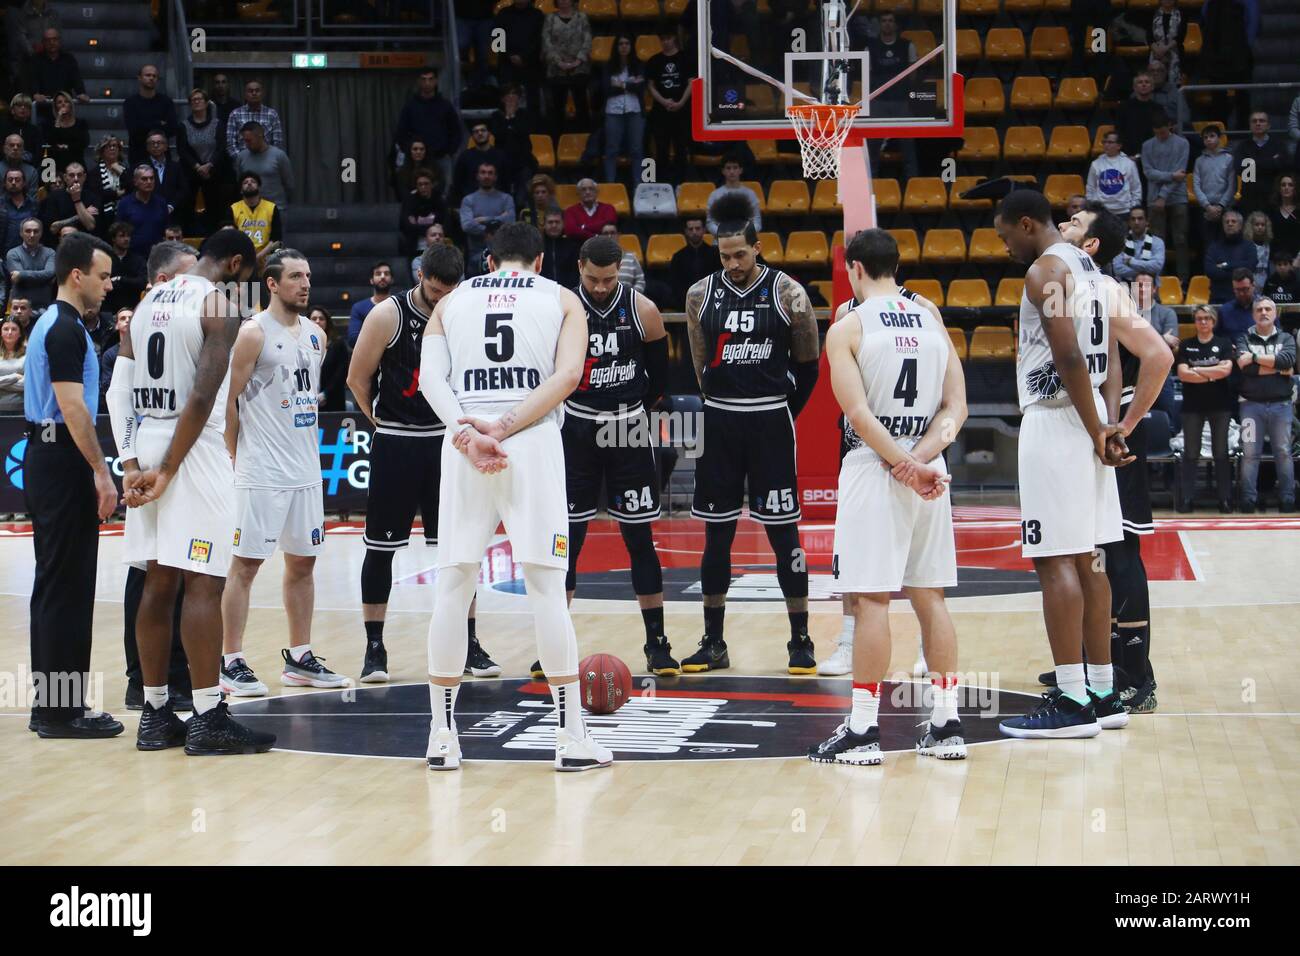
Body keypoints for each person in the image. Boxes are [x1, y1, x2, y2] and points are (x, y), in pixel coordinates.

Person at [418, 221, 612, 772]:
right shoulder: (562, 298)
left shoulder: (451, 301)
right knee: (547, 590)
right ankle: (571, 740)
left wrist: (467, 433)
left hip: (463, 445)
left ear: (488, 261)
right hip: (528, 442)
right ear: (541, 261)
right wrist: (500, 428)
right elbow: (569, 375)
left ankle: (442, 737)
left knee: (454, 587)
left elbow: (431, 379)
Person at [992, 191, 1169, 738]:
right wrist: (1116, 426)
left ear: (1026, 225)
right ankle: (1103, 691)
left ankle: (1071, 701)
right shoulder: (1097, 276)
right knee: (1093, 560)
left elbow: (1068, 355)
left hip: (1059, 422)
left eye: (1005, 236)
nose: (1005, 247)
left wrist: (1097, 429)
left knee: (1054, 562)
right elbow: (1134, 357)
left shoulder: (1046, 270)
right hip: (1093, 423)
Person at [112, 227, 276, 755]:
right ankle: (208, 716)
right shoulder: (218, 306)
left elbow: (120, 395)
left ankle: (156, 713)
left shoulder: (145, 304)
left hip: (150, 439)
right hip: (192, 448)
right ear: (233, 263)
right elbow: (204, 397)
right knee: (204, 581)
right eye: (244, 275)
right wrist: (167, 471)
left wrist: (135, 464)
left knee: (158, 581)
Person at [806, 229, 966, 765]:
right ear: (897, 267)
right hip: (931, 473)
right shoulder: (932, 319)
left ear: (853, 269)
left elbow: (858, 415)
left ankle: (863, 731)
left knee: (873, 600)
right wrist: (922, 460)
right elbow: (955, 409)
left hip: (878, 471)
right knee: (930, 595)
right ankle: (945, 725)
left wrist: (901, 465)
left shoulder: (848, 327)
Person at [346, 242, 501, 684]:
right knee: (380, 548)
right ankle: (374, 647)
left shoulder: (463, 313)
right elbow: (357, 378)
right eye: (434, 291)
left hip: (447, 442)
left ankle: (469, 643)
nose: (440, 300)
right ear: (420, 278)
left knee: (460, 549)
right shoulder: (387, 315)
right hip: (397, 442)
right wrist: (381, 424)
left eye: (447, 292)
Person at [682, 193, 821, 673]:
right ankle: (713, 641)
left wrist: (782, 412)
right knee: (715, 538)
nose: (733, 263)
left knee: (786, 536)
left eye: (740, 253)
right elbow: (700, 366)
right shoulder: (700, 294)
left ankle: (800, 640)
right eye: (725, 255)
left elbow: (809, 367)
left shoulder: (789, 293)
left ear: (758, 248)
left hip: (769, 423)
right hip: (720, 422)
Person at [526, 235, 674, 680]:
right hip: (576, 428)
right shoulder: (561, 308)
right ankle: (555, 645)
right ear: (579, 267)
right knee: (566, 542)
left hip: (627, 425)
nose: (602, 287)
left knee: (639, 538)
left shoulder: (642, 310)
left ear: (620, 272)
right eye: (593, 279)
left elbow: (659, 382)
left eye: (609, 279)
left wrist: (630, 410)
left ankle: (657, 643)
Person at [1057, 208, 1173, 714]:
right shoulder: (1065, 285)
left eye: (1076, 221)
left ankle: (1137, 674)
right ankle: (1095, 663)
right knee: (1091, 550)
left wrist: (1124, 423)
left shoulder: (1104, 287)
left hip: (1114, 431)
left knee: (1121, 552)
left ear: (1092, 245)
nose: (1065, 222)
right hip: (1088, 428)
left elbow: (1159, 356)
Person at [218, 249, 344, 696]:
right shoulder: (253, 334)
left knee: (303, 565)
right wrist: (235, 458)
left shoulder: (316, 335)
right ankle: (229, 659)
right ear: (271, 284)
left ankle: (300, 658)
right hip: (262, 470)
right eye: (294, 276)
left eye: (307, 275)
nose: (305, 283)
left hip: (305, 470)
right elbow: (227, 403)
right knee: (246, 564)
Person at [22, 230, 122, 739]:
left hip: (50, 457)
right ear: (77, 275)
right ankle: (60, 712)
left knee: (56, 583)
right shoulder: (64, 329)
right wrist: (101, 473)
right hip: (61, 459)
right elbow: (73, 408)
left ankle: (53, 707)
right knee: (67, 585)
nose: (108, 285)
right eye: (103, 276)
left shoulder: (51, 323)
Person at [110, 240, 196, 712]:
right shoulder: (144, 317)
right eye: (189, 275)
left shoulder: (174, 315)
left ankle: (170, 673)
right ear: (164, 281)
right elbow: (118, 393)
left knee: (177, 566)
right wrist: (128, 461)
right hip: (160, 442)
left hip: (165, 444)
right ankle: (142, 676)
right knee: (150, 568)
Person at [1235, 297, 1296, 513]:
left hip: (1282, 406)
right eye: (1259, 309)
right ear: (1253, 314)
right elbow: (1245, 369)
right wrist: (1277, 367)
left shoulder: (1287, 337)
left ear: (1275, 313)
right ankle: (1248, 499)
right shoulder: (1244, 337)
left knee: (1283, 452)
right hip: (1250, 405)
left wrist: (1253, 357)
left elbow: (1288, 361)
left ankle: (1288, 499)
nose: (1263, 312)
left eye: (1268, 308)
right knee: (1250, 453)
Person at [1176, 305, 1235, 514]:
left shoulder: (1223, 343)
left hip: (1220, 406)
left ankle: (1225, 500)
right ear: (1195, 321)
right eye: (1199, 319)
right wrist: (1212, 373)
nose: (1203, 322)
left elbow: (1226, 370)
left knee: (1221, 453)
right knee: (1191, 454)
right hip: (1192, 406)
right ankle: (1187, 499)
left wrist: (1198, 370)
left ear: (1213, 321)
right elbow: (1183, 374)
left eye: (1207, 319)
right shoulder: (1186, 345)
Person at [393, 69, 461, 195]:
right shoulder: (410, 106)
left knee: (443, 195)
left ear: (435, 81)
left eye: (430, 79)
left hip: (440, 158)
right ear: (419, 82)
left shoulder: (445, 105)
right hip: (417, 161)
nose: (427, 83)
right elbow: (401, 133)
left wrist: (449, 151)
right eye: (424, 79)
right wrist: (410, 152)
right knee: (414, 195)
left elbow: (456, 131)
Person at [1139, 114, 1188, 281]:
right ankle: (1158, 278)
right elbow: (1148, 172)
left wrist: (1162, 196)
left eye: (1164, 132)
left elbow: (1180, 174)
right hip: (1154, 197)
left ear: (1170, 126)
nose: (1161, 135)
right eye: (1158, 133)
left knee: (1181, 239)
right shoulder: (1147, 145)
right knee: (1156, 241)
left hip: (1177, 196)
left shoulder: (1182, 144)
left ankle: (1183, 280)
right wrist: (1171, 176)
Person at [646, 28, 694, 185]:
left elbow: (691, 83)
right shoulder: (654, 60)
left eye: (668, 38)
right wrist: (664, 101)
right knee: (661, 150)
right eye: (663, 39)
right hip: (661, 112)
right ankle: (661, 184)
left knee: (681, 149)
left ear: (674, 38)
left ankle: (682, 184)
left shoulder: (685, 58)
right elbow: (651, 86)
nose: (666, 42)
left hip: (682, 111)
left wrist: (681, 102)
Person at [177, 88, 227, 235]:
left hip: (213, 172)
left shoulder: (217, 124)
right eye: (194, 100)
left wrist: (209, 165)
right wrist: (198, 166)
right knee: (187, 206)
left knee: (214, 207)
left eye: (200, 99)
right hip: (191, 172)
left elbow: (221, 147)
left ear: (206, 103)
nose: (197, 102)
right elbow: (182, 150)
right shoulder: (184, 125)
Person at [541, 0, 593, 138]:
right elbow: (546, 42)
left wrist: (578, 60)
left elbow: (587, 39)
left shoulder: (582, 17)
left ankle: (584, 141)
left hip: (579, 69)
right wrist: (558, 62)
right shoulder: (550, 18)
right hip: (556, 70)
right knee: (557, 109)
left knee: (582, 107)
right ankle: (557, 143)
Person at [599, 35, 646, 186]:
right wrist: (630, 84)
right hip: (613, 111)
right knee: (611, 149)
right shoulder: (608, 66)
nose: (624, 46)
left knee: (637, 149)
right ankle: (611, 184)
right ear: (616, 47)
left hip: (635, 110)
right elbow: (605, 89)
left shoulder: (638, 65)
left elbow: (641, 87)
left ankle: (638, 184)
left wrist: (620, 84)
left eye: (627, 43)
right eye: (621, 44)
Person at [459, 161, 515, 266]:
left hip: (503, 255)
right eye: (483, 172)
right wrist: (489, 229)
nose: (486, 176)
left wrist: (484, 219)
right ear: (477, 176)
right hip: (475, 256)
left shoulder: (506, 198)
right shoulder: (468, 200)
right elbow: (467, 225)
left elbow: (510, 222)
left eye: (490, 173)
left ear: (495, 177)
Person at [1233, 112, 1288, 218]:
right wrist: (1271, 162)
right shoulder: (1242, 146)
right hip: (1249, 200)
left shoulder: (1279, 145)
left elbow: (1284, 167)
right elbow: (1241, 170)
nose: (1258, 123)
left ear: (1269, 125)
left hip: (1274, 199)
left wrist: (1253, 163)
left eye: (1262, 121)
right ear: (1250, 125)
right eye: (1254, 121)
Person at [492, 0, 546, 109]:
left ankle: (532, 122)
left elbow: (539, 40)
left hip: (531, 63)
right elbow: (497, 39)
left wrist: (524, 57)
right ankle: (507, 123)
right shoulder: (503, 13)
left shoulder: (537, 15)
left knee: (532, 101)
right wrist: (510, 55)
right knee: (506, 98)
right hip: (507, 63)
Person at [488, 86, 537, 200]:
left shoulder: (524, 114)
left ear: (519, 98)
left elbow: (523, 132)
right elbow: (499, 134)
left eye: (514, 94)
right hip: (502, 160)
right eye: (508, 94)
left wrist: (512, 118)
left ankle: (521, 206)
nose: (511, 97)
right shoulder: (496, 115)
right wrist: (508, 119)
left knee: (524, 185)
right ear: (502, 98)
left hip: (523, 159)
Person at [122, 64, 177, 166]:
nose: (151, 78)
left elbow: (172, 129)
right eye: (148, 75)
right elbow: (133, 130)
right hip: (138, 155)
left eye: (154, 76)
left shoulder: (166, 101)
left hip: (163, 156)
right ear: (139, 78)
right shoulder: (130, 103)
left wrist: (144, 124)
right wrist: (159, 123)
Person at [21, 27, 88, 110]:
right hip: (44, 107)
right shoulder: (36, 60)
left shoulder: (68, 59)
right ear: (43, 42)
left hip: (64, 107)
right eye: (48, 40)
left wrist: (81, 93)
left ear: (59, 41)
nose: (51, 43)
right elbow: (33, 80)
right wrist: (35, 94)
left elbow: (76, 78)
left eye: (54, 39)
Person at [450, 121, 513, 205]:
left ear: (489, 134)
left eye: (483, 130)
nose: (480, 133)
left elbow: (506, 182)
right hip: (472, 202)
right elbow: (458, 184)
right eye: (476, 131)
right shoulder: (465, 157)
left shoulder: (500, 156)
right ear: (472, 136)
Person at [234, 122, 293, 210]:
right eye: (244, 140)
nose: (247, 144)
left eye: (249, 140)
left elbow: (289, 184)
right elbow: (239, 182)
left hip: (276, 208)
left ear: (260, 136)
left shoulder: (279, 155)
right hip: (250, 210)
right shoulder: (241, 157)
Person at [114, 165, 170, 256]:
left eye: (151, 178)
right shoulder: (125, 203)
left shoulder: (161, 203)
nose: (149, 182)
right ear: (135, 182)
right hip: (132, 256)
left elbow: (166, 229)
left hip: (157, 255)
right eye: (144, 179)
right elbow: (118, 231)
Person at [228, 172, 283, 265]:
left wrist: (260, 255)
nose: (249, 183)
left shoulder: (271, 207)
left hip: (265, 257)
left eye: (253, 182)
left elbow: (276, 238)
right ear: (241, 190)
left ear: (259, 188)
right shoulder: (233, 208)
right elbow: (230, 237)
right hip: (241, 258)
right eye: (245, 182)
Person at [39, 162, 99, 245]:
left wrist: (77, 200)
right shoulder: (54, 197)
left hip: (85, 245)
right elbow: (53, 228)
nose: (76, 179)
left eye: (79, 175)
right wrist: (80, 216)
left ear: (84, 177)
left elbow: (90, 226)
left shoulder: (92, 196)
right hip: (58, 245)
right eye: (71, 175)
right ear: (65, 177)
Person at [1193, 125, 1235, 243]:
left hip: (1225, 207)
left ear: (1220, 138)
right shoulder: (1199, 161)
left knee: (1226, 241)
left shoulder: (1229, 158)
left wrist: (1221, 205)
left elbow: (1232, 185)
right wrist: (1207, 206)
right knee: (1208, 243)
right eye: (1205, 137)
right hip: (1205, 208)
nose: (1209, 139)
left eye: (1212, 136)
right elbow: (1196, 185)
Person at [1086, 130, 1142, 217]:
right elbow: (1090, 188)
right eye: (1104, 142)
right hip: (1102, 212)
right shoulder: (1095, 164)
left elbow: (1136, 188)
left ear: (1119, 146)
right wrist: (1094, 207)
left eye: (1110, 142)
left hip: (1124, 211)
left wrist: (1133, 207)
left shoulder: (1129, 163)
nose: (1106, 145)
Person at [224, 80, 285, 159]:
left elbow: (278, 143)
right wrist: (242, 160)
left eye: (257, 90)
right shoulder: (235, 114)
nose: (254, 93)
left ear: (262, 94)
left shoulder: (272, 114)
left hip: (267, 162)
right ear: (245, 95)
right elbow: (230, 143)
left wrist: (269, 161)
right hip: (243, 163)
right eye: (250, 91)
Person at [668, 217, 720, 309]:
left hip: (711, 302)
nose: (694, 232)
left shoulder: (715, 254)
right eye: (691, 229)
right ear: (686, 231)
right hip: (685, 304)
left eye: (698, 228)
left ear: (704, 230)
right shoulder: (678, 257)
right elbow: (675, 284)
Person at [399, 169, 452, 257]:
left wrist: (418, 224)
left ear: (432, 184)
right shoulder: (409, 200)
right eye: (420, 184)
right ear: (416, 186)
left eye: (426, 184)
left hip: (438, 246)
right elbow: (406, 226)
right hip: (415, 246)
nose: (423, 187)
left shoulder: (440, 199)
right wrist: (434, 225)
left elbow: (447, 224)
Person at [6, 217, 55, 311]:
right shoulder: (13, 253)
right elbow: (19, 280)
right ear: (21, 233)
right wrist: (43, 277)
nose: (32, 235)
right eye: (28, 231)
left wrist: (22, 274)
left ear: (41, 233)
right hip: (20, 310)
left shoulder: (50, 253)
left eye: (36, 231)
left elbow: (50, 273)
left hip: (44, 308)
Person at [1205, 213, 1257, 303]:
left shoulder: (1249, 246)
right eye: (1227, 222)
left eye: (1233, 221)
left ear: (1240, 225)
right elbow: (1210, 271)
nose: (1230, 224)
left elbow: (1251, 266)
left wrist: (1225, 265)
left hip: (1243, 298)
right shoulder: (1214, 246)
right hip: (1218, 298)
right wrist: (1238, 272)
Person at [706, 154, 762, 236]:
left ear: (741, 170)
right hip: (721, 240)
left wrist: (743, 233)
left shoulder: (750, 194)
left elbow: (757, 222)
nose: (732, 171)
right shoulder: (715, 195)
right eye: (728, 168)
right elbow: (710, 223)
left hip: (744, 240)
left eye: (735, 167)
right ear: (723, 171)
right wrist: (723, 233)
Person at [1116, 72, 1166, 159]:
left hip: (1153, 155)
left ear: (1152, 87)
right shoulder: (1124, 107)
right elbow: (1120, 131)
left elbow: (1161, 134)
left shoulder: (1158, 108)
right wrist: (1127, 155)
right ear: (1134, 87)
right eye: (1140, 82)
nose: (1143, 84)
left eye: (1147, 82)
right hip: (1128, 156)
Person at [103, 221, 147, 315]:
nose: (126, 239)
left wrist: (120, 279)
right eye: (122, 236)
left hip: (133, 308)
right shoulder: (105, 259)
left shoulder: (138, 260)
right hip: (109, 309)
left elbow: (143, 282)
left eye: (128, 236)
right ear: (113, 238)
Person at [1111, 206, 1166, 283]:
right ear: (1129, 222)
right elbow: (1118, 269)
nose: (1136, 222)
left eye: (1140, 219)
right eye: (1133, 219)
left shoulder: (1157, 242)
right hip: (1126, 288)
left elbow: (1157, 266)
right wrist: (1145, 271)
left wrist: (1131, 262)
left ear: (1147, 221)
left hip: (1150, 288)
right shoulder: (1121, 243)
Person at [309, 306, 348, 412]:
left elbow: (341, 373)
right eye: (314, 318)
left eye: (321, 318)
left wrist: (325, 394)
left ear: (327, 322)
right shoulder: (301, 344)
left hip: (333, 401)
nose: (317, 321)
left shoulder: (338, 344)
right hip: (307, 402)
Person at [346, 261, 393, 348]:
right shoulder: (359, 308)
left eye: (386, 274)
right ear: (371, 280)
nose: (382, 277)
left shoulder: (401, 305)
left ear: (392, 279)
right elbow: (353, 339)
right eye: (378, 274)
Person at [40, 90, 89, 175]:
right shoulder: (48, 124)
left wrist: (66, 146)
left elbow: (84, 142)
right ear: (55, 106)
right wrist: (58, 119)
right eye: (59, 102)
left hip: (76, 161)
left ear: (70, 104)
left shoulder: (81, 123)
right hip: (55, 162)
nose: (63, 104)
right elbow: (49, 142)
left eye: (66, 101)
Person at [143, 128, 187, 215]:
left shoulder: (176, 167)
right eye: (152, 143)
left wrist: (171, 206)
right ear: (147, 147)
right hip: (147, 212)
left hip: (173, 214)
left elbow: (183, 190)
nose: (155, 145)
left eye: (159, 143)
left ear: (166, 146)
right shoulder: (140, 167)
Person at [598, 222, 645, 294]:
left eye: (612, 233)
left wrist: (630, 296)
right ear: (601, 236)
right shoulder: (593, 258)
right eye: (606, 233)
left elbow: (640, 281)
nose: (609, 236)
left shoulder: (631, 257)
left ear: (618, 235)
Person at [91, 135, 128, 224]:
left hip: (124, 213)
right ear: (102, 151)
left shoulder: (125, 170)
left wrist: (120, 171)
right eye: (108, 146)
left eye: (115, 146)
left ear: (119, 150)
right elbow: (97, 194)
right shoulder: (95, 172)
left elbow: (133, 187)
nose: (112, 148)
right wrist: (117, 193)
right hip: (102, 214)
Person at [539, 208, 579, 288]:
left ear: (563, 224)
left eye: (557, 222)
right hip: (542, 292)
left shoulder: (573, 246)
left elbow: (576, 273)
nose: (554, 225)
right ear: (544, 225)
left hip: (568, 292)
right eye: (550, 222)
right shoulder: (537, 246)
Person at [0, 169, 39, 252]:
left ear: (24, 183)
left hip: (30, 254)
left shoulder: (33, 204)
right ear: (5, 183)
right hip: (4, 256)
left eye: (17, 180)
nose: (13, 183)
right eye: (10, 180)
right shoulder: (1, 204)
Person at [1216, 268, 1258, 338]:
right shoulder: (1224, 311)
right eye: (1237, 290)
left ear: (1253, 285)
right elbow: (1216, 339)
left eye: (1245, 289)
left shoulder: (1265, 309)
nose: (1241, 293)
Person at [1, 95, 44, 163]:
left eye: (26, 106)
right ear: (12, 110)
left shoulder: (35, 130)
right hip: (5, 164)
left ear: (30, 111)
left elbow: (38, 153)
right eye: (19, 105)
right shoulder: (3, 127)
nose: (23, 108)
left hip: (28, 166)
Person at [1268, 175, 1300, 256]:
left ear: (1295, 188)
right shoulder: (1272, 210)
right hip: (1275, 258)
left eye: (1290, 185)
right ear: (1279, 188)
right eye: (1283, 185)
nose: (1286, 187)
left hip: (1296, 259)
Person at [1, 134, 38, 202]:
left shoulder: (32, 172)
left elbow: (32, 201)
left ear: (23, 150)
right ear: (4, 149)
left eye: (19, 146)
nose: (15, 148)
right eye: (11, 145)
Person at [0, 317, 26, 413]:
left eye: (14, 329)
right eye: (6, 329)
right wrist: (14, 377)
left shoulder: (29, 354)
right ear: (1, 332)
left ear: (20, 334)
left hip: (20, 409)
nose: (10, 332)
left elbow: (26, 385)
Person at [1244, 211, 1272, 289]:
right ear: (1251, 226)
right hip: (1250, 281)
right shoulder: (1246, 244)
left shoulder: (1267, 244)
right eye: (1257, 225)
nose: (1260, 227)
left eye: (1262, 225)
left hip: (1265, 281)